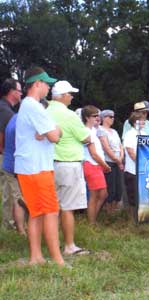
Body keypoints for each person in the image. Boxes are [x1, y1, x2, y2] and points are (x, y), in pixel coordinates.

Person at [15, 67, 65, 265]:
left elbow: (46, 133)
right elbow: (54, 136)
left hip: (28, 167)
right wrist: (56, 130)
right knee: (51, 211)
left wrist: (48, 131)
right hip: (37, 168)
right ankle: (58, 260)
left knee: (36, 213)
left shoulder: (26, 105)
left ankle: (36, 257)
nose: (48, 87)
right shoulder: (34, 106)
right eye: (46, 84)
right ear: (37, 84)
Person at [47, 80, 91, 255]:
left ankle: (53, 244)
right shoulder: (69, 115)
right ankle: (69, 246)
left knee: (53, 207)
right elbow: (86, 137)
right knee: (67, 207)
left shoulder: (45, 111)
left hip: (50, 164)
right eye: (70, 94)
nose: (72, 97)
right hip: (68, 164)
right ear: (63, 96)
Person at [0, 78, 26, 231]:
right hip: (5, 156)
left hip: (5, 155)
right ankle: (9, 225)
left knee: (8, 191)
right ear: (11, 92)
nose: (21, 94)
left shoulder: (6, 108)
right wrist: (3, 150)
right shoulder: (5, 110)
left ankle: (9, 223)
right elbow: (2, 133)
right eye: (19, 91)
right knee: (11, 193)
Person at [81, 105, 111, 224]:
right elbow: (93, 153)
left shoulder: (93, 130)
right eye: (94, 116)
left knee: (103, 194)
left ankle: (92, 219)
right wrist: (105, 165)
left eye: (98, 115)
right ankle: (91, 222)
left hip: (96, 165)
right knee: (95, 195)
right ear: (87, 118)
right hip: (91, 165)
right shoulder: (86, 131)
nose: (98, 118)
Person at [2, 113, 27, 235]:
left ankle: (16, 227)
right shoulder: (21, 123)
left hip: (9, 163)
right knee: (19, 198)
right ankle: (21, 231)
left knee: (14, 197)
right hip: (15, 166)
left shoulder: (15, 116)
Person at [98, 109, 124, 214]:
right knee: (110, 187)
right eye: (110, 117)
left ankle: (114, 211)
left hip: (118, 161)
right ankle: (108, 211)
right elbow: (106, 148)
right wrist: (117, 160)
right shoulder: (100, 130)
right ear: (103, 118)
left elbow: (120, 146)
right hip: (109, 162)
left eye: (113, 117)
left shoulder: (114, 131)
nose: (112, 119)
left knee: (119, 188)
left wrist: (120, 158)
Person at [123, 112, 146, 218]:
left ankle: (142, 217)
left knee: (142, 196)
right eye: (140, 120)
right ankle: (132, 219)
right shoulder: (129, 134)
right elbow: (130, 152)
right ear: (134, 122)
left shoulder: (144, 134)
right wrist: (141, 162)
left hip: (144, 171)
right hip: (132, 170)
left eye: (143, 120)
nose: (142, 122)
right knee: (133, 196)